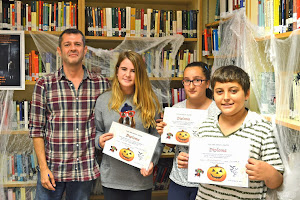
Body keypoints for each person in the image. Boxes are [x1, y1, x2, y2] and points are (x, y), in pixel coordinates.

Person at [177, 65, 284, 199]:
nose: (226, 97)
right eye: (219, 92)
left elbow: (277, 182)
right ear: (213, 94)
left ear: (247, 94)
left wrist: (268, 173)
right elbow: (199, 167)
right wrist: (188, 162)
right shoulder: (204, 127)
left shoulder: (263, 129)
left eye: (233, 91)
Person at [29, 29, 109, 200]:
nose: (73, 48)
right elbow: (36, 130)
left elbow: (113, 118)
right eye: (67, 44)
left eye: (77, 44)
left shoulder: (101, 84)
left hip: (84, 170)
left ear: (85, 50)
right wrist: (43, 168)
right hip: (52, 171)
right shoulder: (44, 84)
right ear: (59, 51)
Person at [95, 50, 164, 200]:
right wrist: (99, 141)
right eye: (124, 69)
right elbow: (97, 131)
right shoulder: (103, 100)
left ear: (140, 74)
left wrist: (152, 160)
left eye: (133, 71)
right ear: (117, 70)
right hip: (112, 178)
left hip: (140, 179)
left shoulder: (150, 102)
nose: (127, 75)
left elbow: (157, 135)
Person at [156, 62, 220, 200]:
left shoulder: (218, 111)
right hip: (179, 180)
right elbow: (173, 145)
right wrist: (165, 134)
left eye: (197, 80)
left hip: (207, 183)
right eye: (187, 81)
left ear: (207, 83)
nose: (191, 86)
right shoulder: (176, 109)